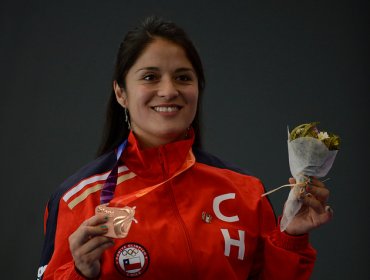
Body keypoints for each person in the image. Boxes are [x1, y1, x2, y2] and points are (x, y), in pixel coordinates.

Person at [37, 16, 333, 280]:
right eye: (150, 77)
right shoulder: (78, 199)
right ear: (121, 92)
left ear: (197, 89)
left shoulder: (246, 191)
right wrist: (80, 274)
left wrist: (291, 237)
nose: (169, 90)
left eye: (183, 77)